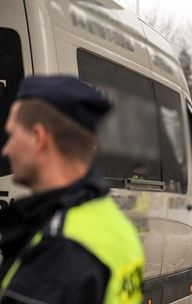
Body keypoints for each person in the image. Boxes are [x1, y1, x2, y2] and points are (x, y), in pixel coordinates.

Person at [0, 75, 144, 303]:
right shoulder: (115, 224)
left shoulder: (59, 247)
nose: (6, 150)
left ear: (39, 138)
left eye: (11, 135)